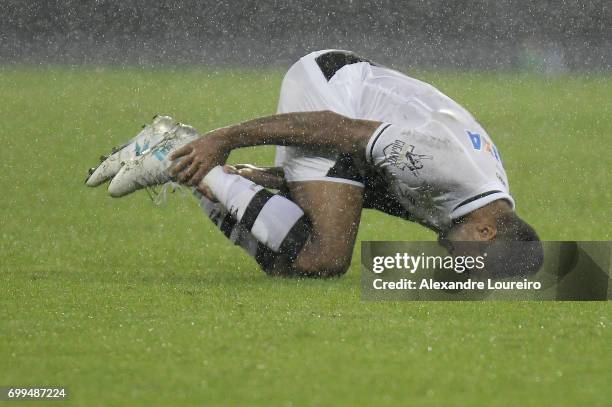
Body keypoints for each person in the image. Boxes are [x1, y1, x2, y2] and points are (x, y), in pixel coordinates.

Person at [86, 50, 543, 278]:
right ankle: (183, 154)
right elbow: (333, 128)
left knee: (303, 259)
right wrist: (225, 139)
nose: (459, 269)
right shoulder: (451, 170)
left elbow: (377, 187)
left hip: (350, 116)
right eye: (474, 266)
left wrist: (266, 181)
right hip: (331, 88)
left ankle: (183, 165)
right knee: (325, 254)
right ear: (486, 233)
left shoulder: (476, 205)